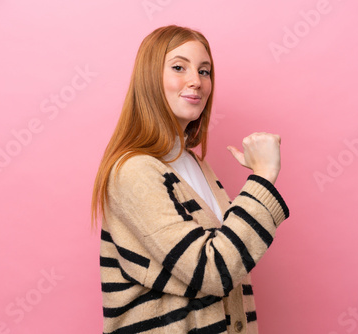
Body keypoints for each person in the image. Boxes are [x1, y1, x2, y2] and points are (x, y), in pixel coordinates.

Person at [91, 24, 289, 334]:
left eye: (205, 71)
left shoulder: (196, 166)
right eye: (179, 67)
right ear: (150, 78)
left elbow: (230, 261)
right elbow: (212, 270)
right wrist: (262, 178)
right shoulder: (134, 171)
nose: (196, 81)